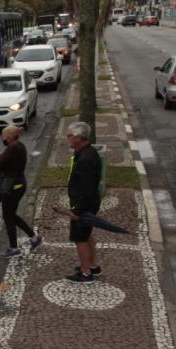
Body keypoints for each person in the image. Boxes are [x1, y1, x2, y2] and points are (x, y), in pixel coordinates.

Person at [0, 126, 42, 257]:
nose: (2, 139)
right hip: (19, 184)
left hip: (12, 187)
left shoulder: (12, 149)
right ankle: (33, 237)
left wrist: (1, 156)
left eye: (3, 137)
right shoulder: (20, 145)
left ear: (8, 138)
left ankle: (14, 248)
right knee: (11, 215)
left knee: (8, 217)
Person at [66, 121, 102, 283]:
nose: (67, 139)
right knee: (87, 234)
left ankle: (86, 273)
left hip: (83, 205)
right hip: (88, 203)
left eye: (69, 136)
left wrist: (77, 210)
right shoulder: (88, 153)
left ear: (79, 138)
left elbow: (86, 189)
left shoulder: (85, 159)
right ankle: (93, 264)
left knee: (80, 237)